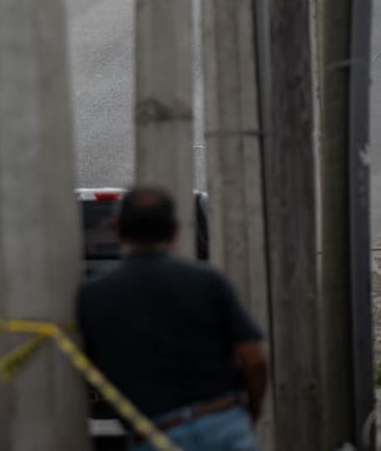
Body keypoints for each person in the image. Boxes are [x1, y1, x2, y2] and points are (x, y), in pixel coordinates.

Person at [76, 187, 269, 451]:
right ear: (175, 230)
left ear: (117, 228)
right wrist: (251, 411)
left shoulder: (93, 296)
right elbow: (254, 358)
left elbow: (87, 368)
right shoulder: (208, 282)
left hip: (156, 434)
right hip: (223, 424)